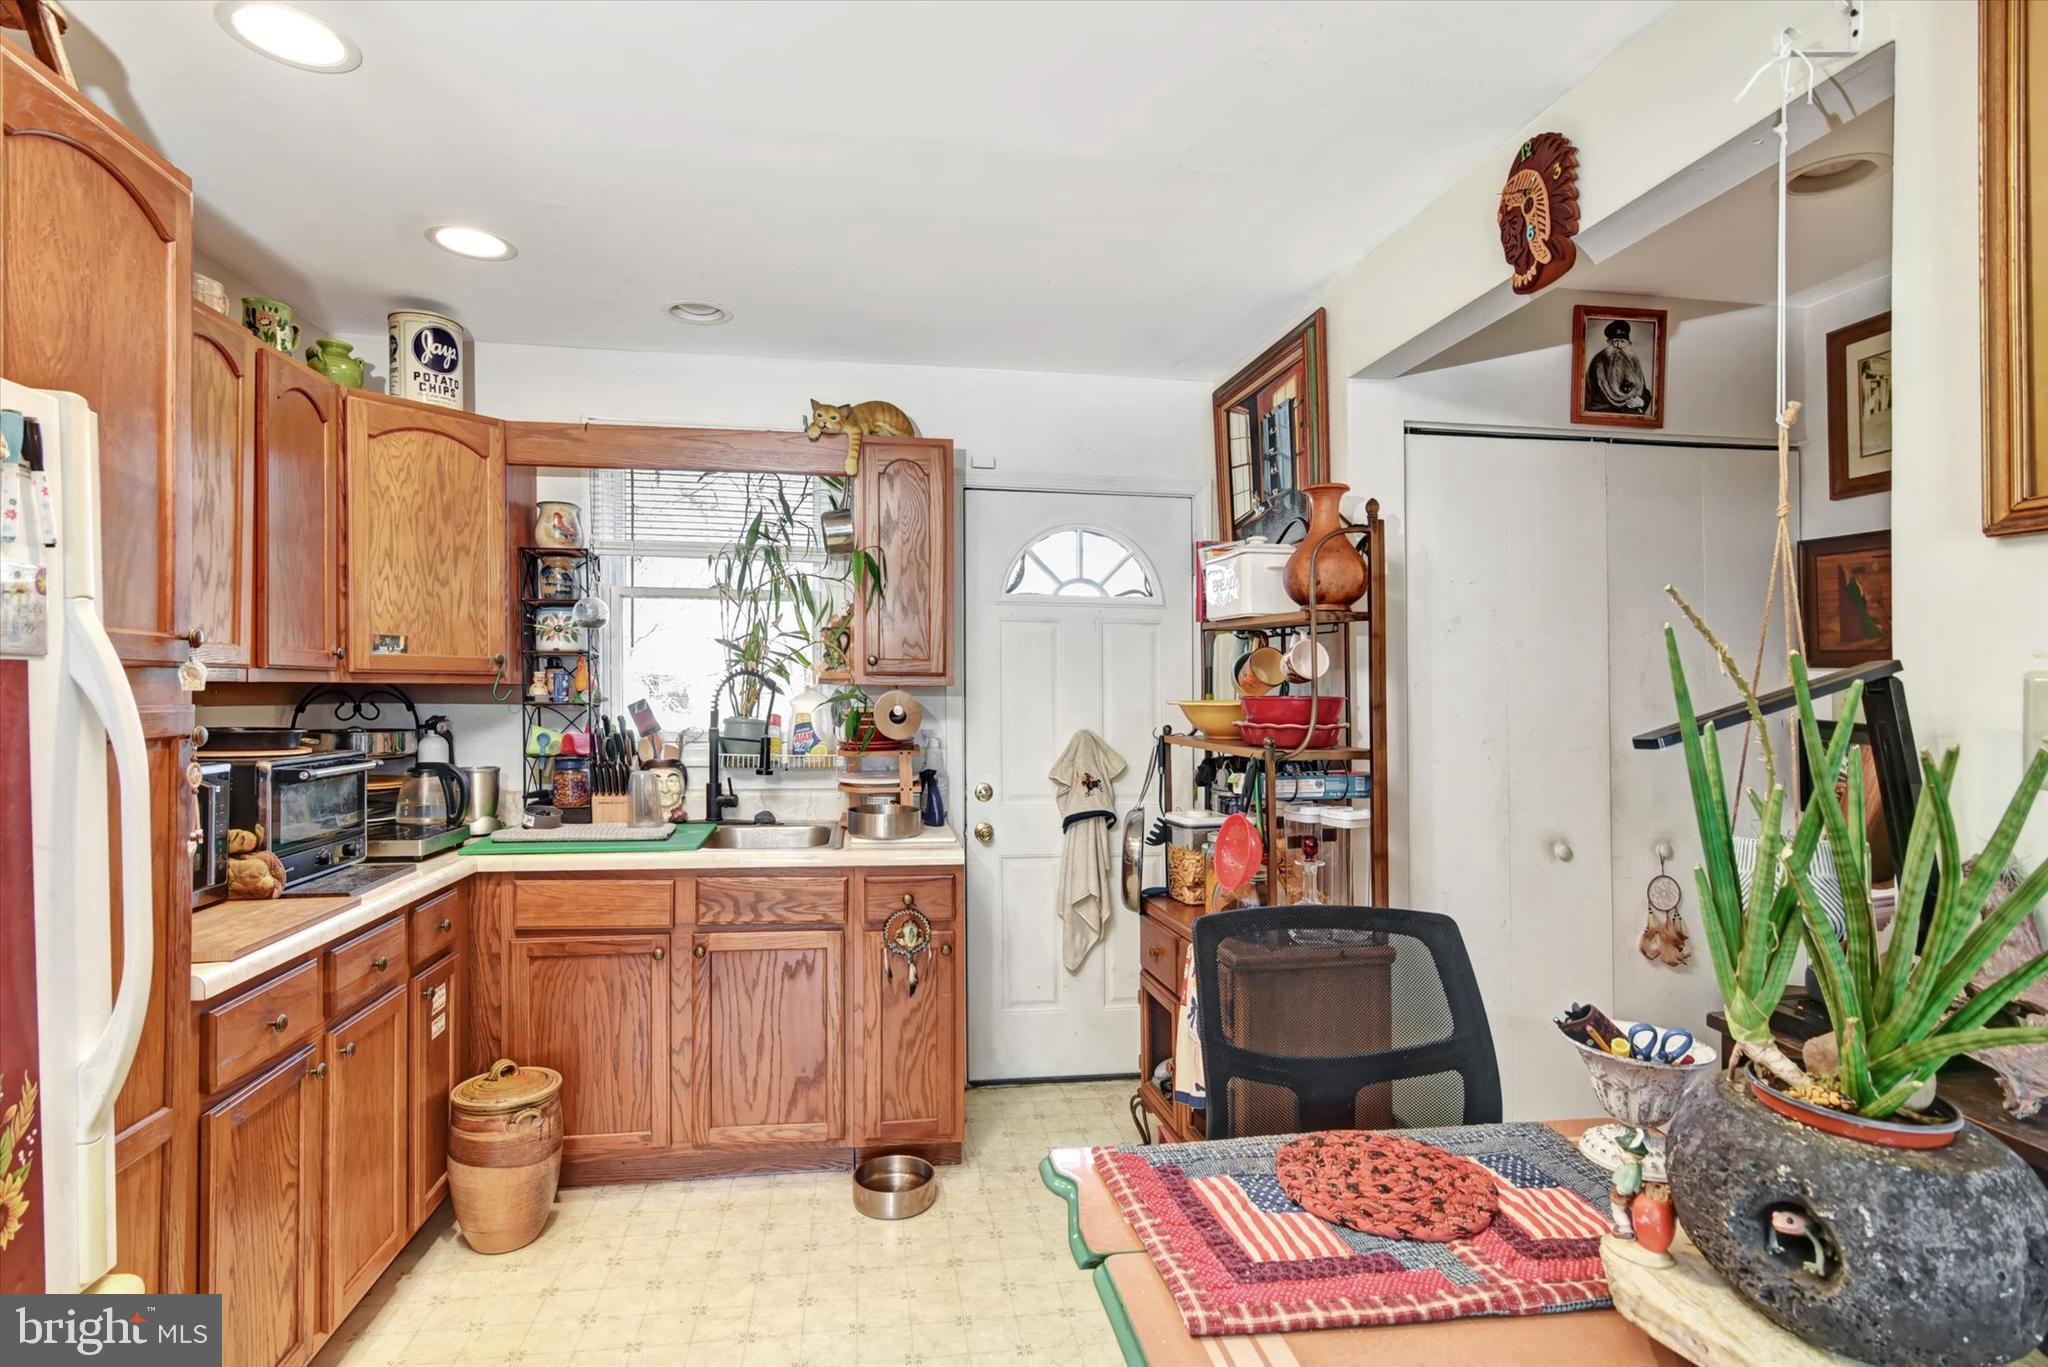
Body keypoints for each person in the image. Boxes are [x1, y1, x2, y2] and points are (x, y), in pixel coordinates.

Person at [1585, 318, 1653, 414]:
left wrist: (1642, 402)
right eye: (1616, 341)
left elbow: (1643, 391)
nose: (1619, 346)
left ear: (1628, 343)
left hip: (1631, 413)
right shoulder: (1598, 362)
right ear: (1609, 342)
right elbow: (1587, 392)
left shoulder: (1633, 361)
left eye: (1622, 341)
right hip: (1604, 413)